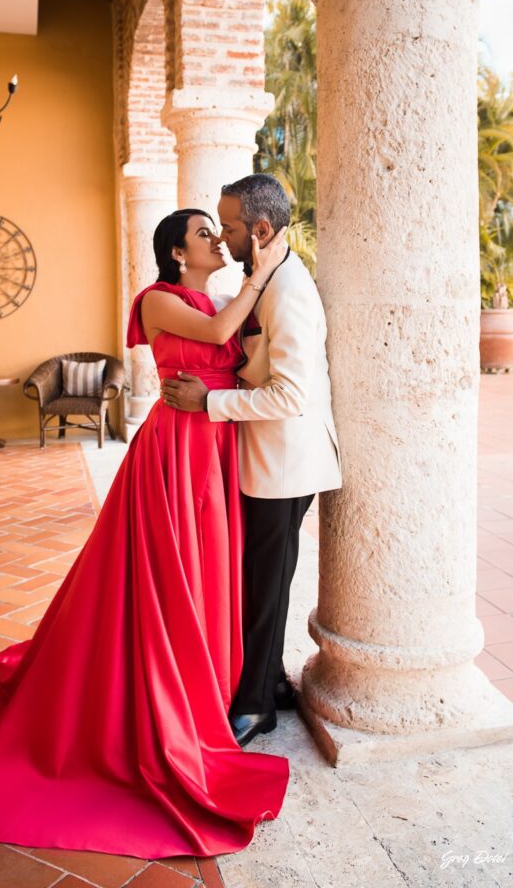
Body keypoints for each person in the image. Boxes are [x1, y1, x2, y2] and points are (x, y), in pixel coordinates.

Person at [0, 208, 290, 859]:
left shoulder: (208, 292)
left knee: (208, 570)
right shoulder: (158, 299)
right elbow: (219, 330)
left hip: (215, 442)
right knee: (170, 574)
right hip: (178, 450)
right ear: (177, 252)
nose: (218, 240)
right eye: (204, 234)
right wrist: (261, 270)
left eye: (220, 232)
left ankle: (208, 688)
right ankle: (167, 699)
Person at [162, 174, 342, 748]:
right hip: (263, 455)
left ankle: (258, 705)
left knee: (266, 585)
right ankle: (268, 680)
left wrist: (209, 401)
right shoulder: (262, 277)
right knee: (261, 580)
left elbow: (290, 395)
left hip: (284, 462)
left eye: (231, 227)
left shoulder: (287, 289)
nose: (222, 236)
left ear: (261, 229)